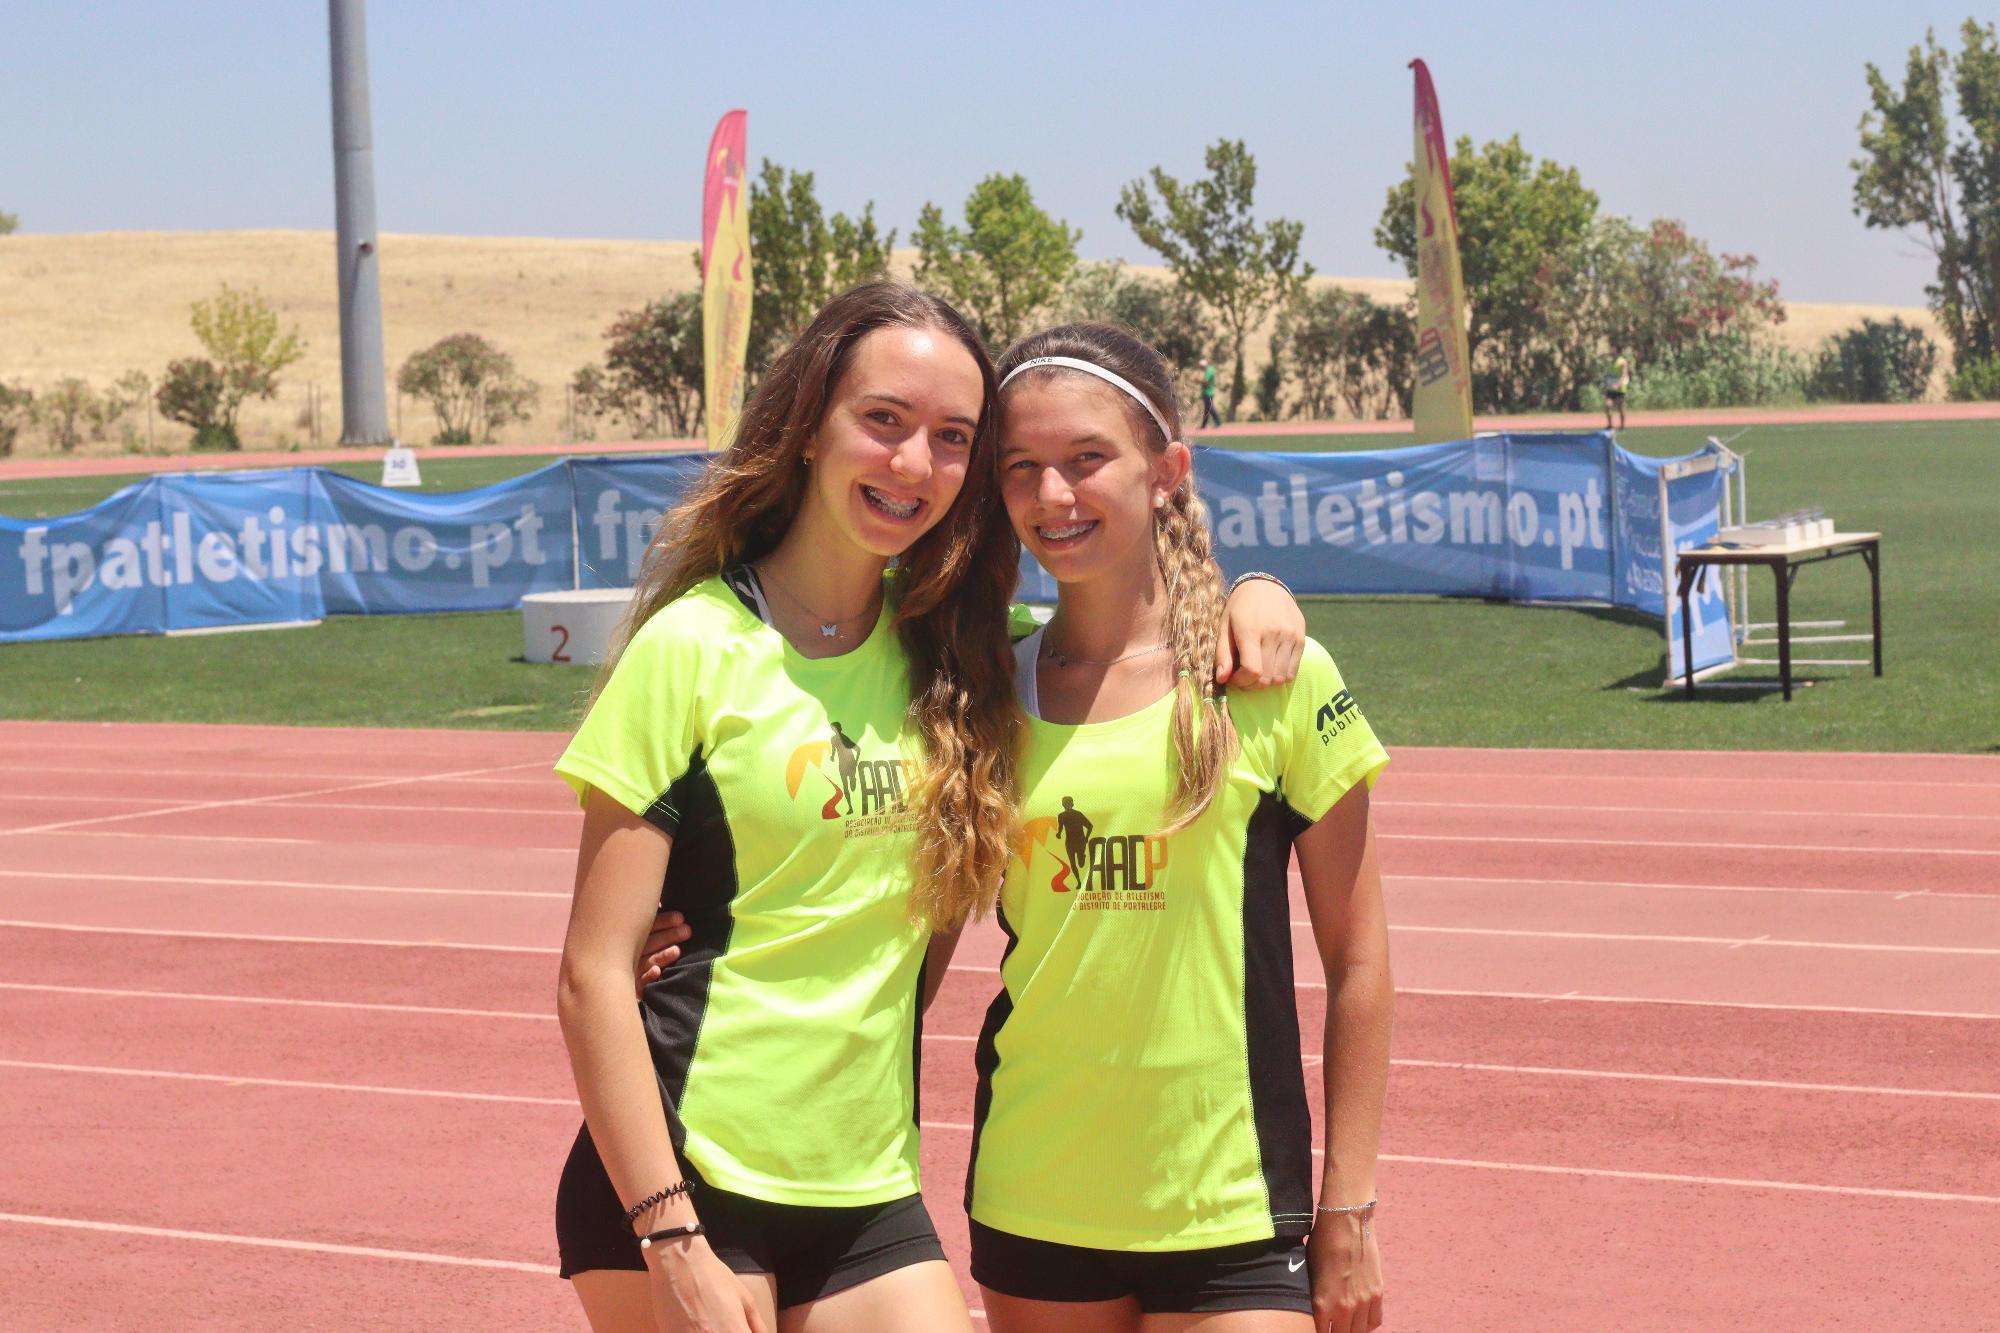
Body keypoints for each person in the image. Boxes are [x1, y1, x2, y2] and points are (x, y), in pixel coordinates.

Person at [558, 282, 1308, 1333]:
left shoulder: (955, 658)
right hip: (684, 1174)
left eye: (952, 438)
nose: (914, 464)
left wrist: (1253, 588)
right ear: (808, 428)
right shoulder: (691, 646)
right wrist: (669, 1236)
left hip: (862, 1184)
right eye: (883, 421)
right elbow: (592, 969)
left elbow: (1125, 615)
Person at [960, 323, 1393, 1333]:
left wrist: (1348, 1207)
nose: (1051, 496)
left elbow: (1360, 959)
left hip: (1232, 1202)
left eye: (1085, 460)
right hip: (1035, 1192)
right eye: (1020, 468)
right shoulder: (985, 689)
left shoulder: (1269, 678)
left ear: (1166, 470)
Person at [1603, 349, 1630, 431]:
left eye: (1613, 352)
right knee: (1608, 405)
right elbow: (1608, 375)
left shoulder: (1622, 362)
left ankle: (1622, 426)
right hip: (1610, 389)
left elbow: (1624, 374)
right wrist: (1605, 385)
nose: (1611, 354)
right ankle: (1610, 425)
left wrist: (1618, 384)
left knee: (1620, 408)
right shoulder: (1610, 363)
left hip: (1620, 390)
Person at [1198, 360, 1223, 429]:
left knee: (1210, 408)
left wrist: (1198, 380)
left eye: (1200, 367)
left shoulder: (1209, 371)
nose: (1200, 368)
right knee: (1207, 409)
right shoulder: (1208, 370)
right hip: (1207, 392)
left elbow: (1206, 381)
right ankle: (1204, 425)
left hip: (1208, 392)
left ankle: (1218, 422)